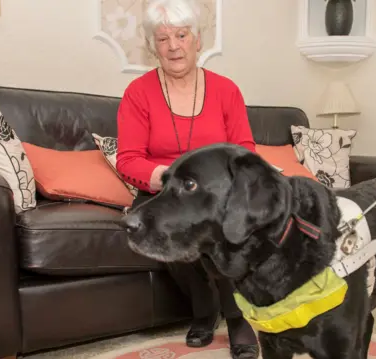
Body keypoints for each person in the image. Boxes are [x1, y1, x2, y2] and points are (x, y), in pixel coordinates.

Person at [115, 1, 259, 358]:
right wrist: (168, 179)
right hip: (162, 191)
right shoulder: (138, 92)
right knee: (166, 226)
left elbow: (244, 149)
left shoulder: (227, 91)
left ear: (198, 41)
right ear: (153, 46)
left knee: (227, 225)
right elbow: (128, 159)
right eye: (163, 38)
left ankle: (238, 317)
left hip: (215, 194)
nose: (173, 45)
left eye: (181, 35)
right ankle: (204, 310)